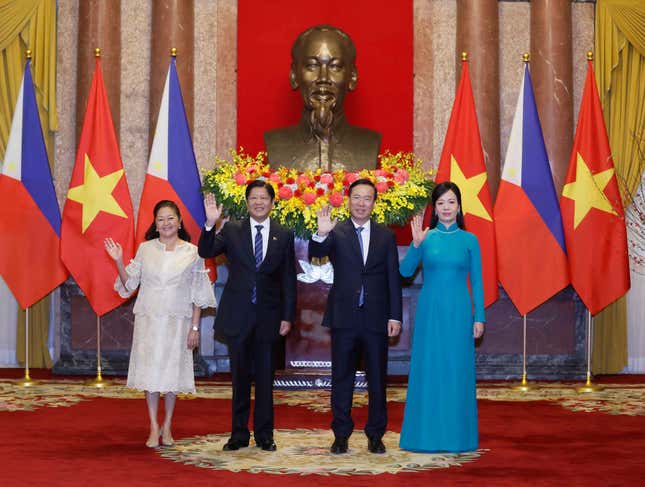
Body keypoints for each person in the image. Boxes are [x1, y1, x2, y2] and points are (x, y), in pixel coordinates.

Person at [104, 200, 216, 449]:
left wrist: (195, 328)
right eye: (161, 219)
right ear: (155, 224)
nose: (166, 223)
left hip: (178, 322)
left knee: (171, 375)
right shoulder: (145, 249)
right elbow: (130, 284)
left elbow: (198, 293)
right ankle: (153, 426)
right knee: (151, 373)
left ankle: (168, 426)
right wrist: (119, 261)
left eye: (170, 218)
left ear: (179, 221)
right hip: (150, 320)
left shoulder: (193, 251)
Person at [198, 180, 297, 452]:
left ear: (272, 202)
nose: (258, 202)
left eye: (263, 198)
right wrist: (209, 224)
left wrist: (288, 315)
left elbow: (288, 277)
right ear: (246, 202)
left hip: (270, 317)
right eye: (253, 198)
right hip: (238, 315)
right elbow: (206, 251)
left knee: (265, 379)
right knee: (240, 379)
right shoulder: (231, 229)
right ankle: (238, 434)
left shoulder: (283, 233)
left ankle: (265, 435)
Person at [309, 178, 402, 454]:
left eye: (367, 198)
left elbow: (393, 278)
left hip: (376, 318)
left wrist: (394, 316)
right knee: (342, 378)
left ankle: (375, 434)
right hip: (344, 317)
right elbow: (316, 252)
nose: (361, 203)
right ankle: (341, 434)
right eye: (357, 198)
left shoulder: (386, 235)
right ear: (348, 201)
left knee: (377, 379)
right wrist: (321, 233)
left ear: (374, 202)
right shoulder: (336, 231)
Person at [399, 181, 485, 453]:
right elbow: (404, 272)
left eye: (451, 202)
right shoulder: (426, 238)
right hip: (430, 313)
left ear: (459, 206)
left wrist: (479, 317)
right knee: (429, 370)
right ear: (434, 209)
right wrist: (415, 245)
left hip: (460, 311)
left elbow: (479, 283)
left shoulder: (470, 240)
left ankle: (457, 437)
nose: (446, 208)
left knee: (456, 370)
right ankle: (423, 437)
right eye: (440, 203)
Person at [264, 24, 380, 172]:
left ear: (352, 77)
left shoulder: (369, 143)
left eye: (335, 67)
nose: (323, 78)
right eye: (312, 66)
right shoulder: (275, 143)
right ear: (294, 76)